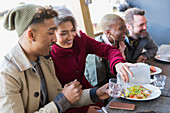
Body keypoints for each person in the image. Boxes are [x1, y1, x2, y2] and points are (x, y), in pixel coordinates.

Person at [0, 4, 111, 113]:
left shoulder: (45, 60)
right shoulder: (7, 74)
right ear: (31, 35)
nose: (54, 39)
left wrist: (96, 93)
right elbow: (62, 100)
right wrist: (62, 101)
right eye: (50, 33)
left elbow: (63, 97)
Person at [51, 6, 136, 113]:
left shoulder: (80, 38)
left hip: (90, 94)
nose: (70, 37)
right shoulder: (47, 57)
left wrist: (118, 63)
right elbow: (54, 100)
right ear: (51, 34)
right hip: (69, 107)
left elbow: (107, 50)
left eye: (72, 30)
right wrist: (84, 110)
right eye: (63, 33)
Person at [85, 14, 127, 87]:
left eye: (125, 27)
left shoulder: (122, 43)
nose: (125, 30)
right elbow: (98, 85)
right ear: (108, 33)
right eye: (120, 28)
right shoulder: (95, 54)